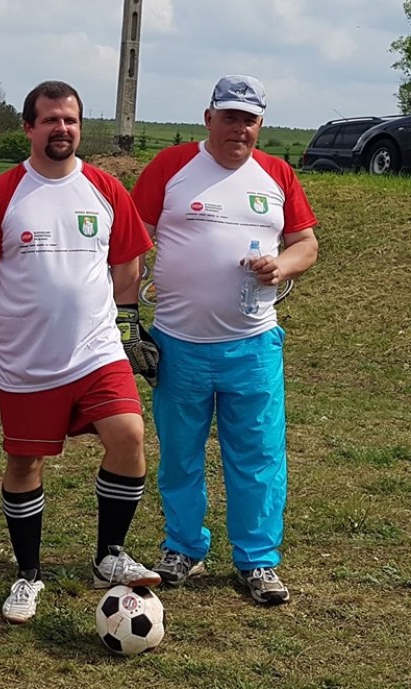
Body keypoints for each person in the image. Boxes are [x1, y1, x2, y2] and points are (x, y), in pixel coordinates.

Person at [0, 80, 160, 625]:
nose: (61, 128)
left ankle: (109, 556)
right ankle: (28, 573)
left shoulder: (105, 188)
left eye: (69, 119)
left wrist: (123, 323)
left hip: (97, 351)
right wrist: (21, 312)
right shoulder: (1, 195)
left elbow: (127, 264)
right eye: (49, 119)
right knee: (25, 462)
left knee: (129, 436)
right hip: (28, 359)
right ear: (29, 127)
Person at [131, 75, 318, 605]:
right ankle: (183, 546)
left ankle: (257, 560)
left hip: (252, 346)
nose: (239, 128)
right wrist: (125, 315)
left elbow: (306, 243)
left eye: (249, 119)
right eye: (229, 116)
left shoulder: (277, 174)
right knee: (180, 455)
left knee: (258, 456)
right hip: (178, 344)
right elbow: (132, 239)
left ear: (261, 124)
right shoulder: (171, 166)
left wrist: (281, 265)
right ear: (209, 118)